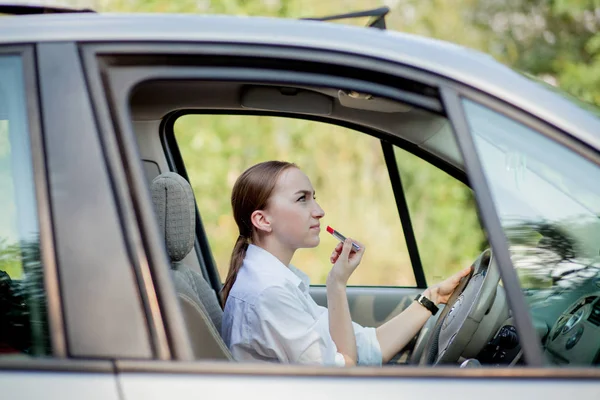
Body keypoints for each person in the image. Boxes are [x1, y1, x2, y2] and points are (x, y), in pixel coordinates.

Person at [220, 160, 471, 366]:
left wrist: (433, 298)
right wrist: (337, 284)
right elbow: (343, 374)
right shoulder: (269, 293)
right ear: (263, 220)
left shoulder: (275, 281)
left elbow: (366, 348)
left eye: (314, 198)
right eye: (302, 199)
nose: (319, 211)